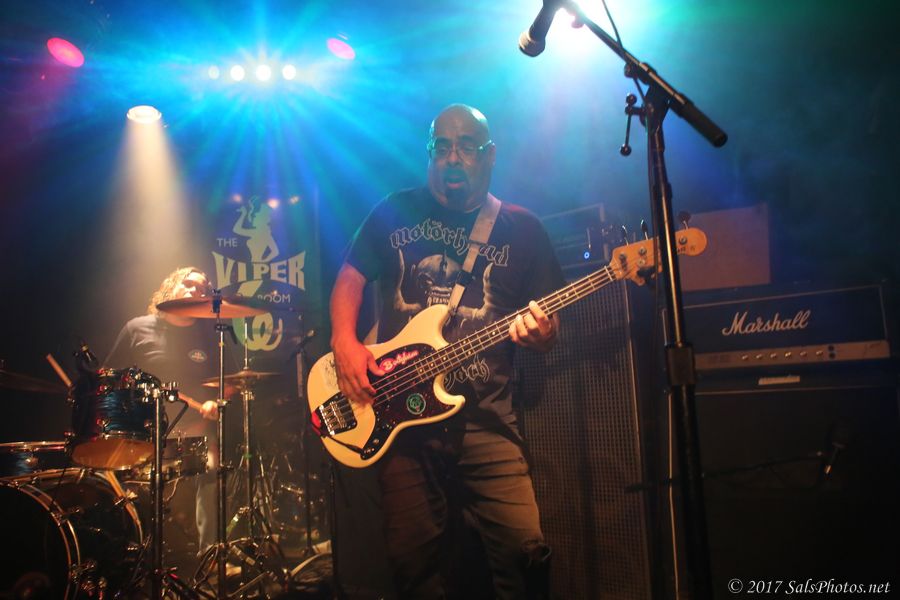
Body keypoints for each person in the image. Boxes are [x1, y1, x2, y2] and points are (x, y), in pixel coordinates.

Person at [330, 104, 565, 599]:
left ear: (490, 155)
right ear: (430, 152)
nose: (453, 157)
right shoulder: (395, 209)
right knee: (412, 565)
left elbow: (548, 324)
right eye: (442, 147)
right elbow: (350, 277)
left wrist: (541, 333)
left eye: (466, 147)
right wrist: (344, 342)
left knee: (524, 552)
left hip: (487, 420)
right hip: (403, 421)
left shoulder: (522, 228)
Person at [104, 267, 220, 558]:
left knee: (214, 468)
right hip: (143, 430)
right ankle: (133, 553)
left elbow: (230, 381)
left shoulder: (209, 336)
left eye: (202, 289)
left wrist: (216, 401)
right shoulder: (137, 328)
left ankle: (210, 554)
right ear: (171, 286)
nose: (195, 291)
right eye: (188, 284)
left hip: (193, 429)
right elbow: (109, 379)